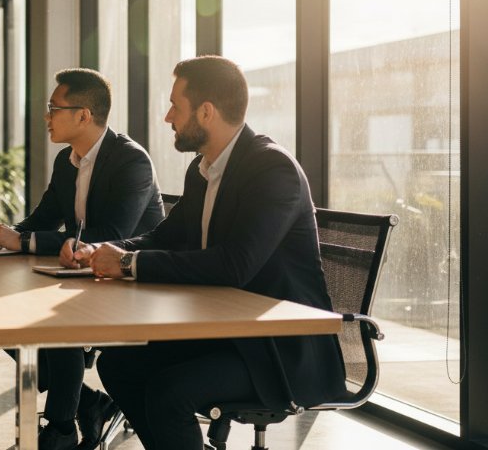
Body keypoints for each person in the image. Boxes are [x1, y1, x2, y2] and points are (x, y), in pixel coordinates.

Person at [69, 56, 346, 450]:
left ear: (206, 111)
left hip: (278, 348)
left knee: (170, 392)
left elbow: (235, 265)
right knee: (119, 366)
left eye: (174, 106)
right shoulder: (204, 168)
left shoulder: (272, 169)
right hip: (227, 332)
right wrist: (102, 250)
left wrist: (128, 264)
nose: (167, 118)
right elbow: (166, 236)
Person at [0, 67, 165, 450]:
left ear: (83, 115)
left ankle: (61, 428)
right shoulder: (68, 162)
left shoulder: (131, 161)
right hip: (86, 279)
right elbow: (40, 220)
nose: (46, 116)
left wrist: (23, 241)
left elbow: (111, 238)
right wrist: (1, 234)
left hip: (134, 284)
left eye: (53, 107)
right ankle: (89, 402)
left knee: (56, 326)